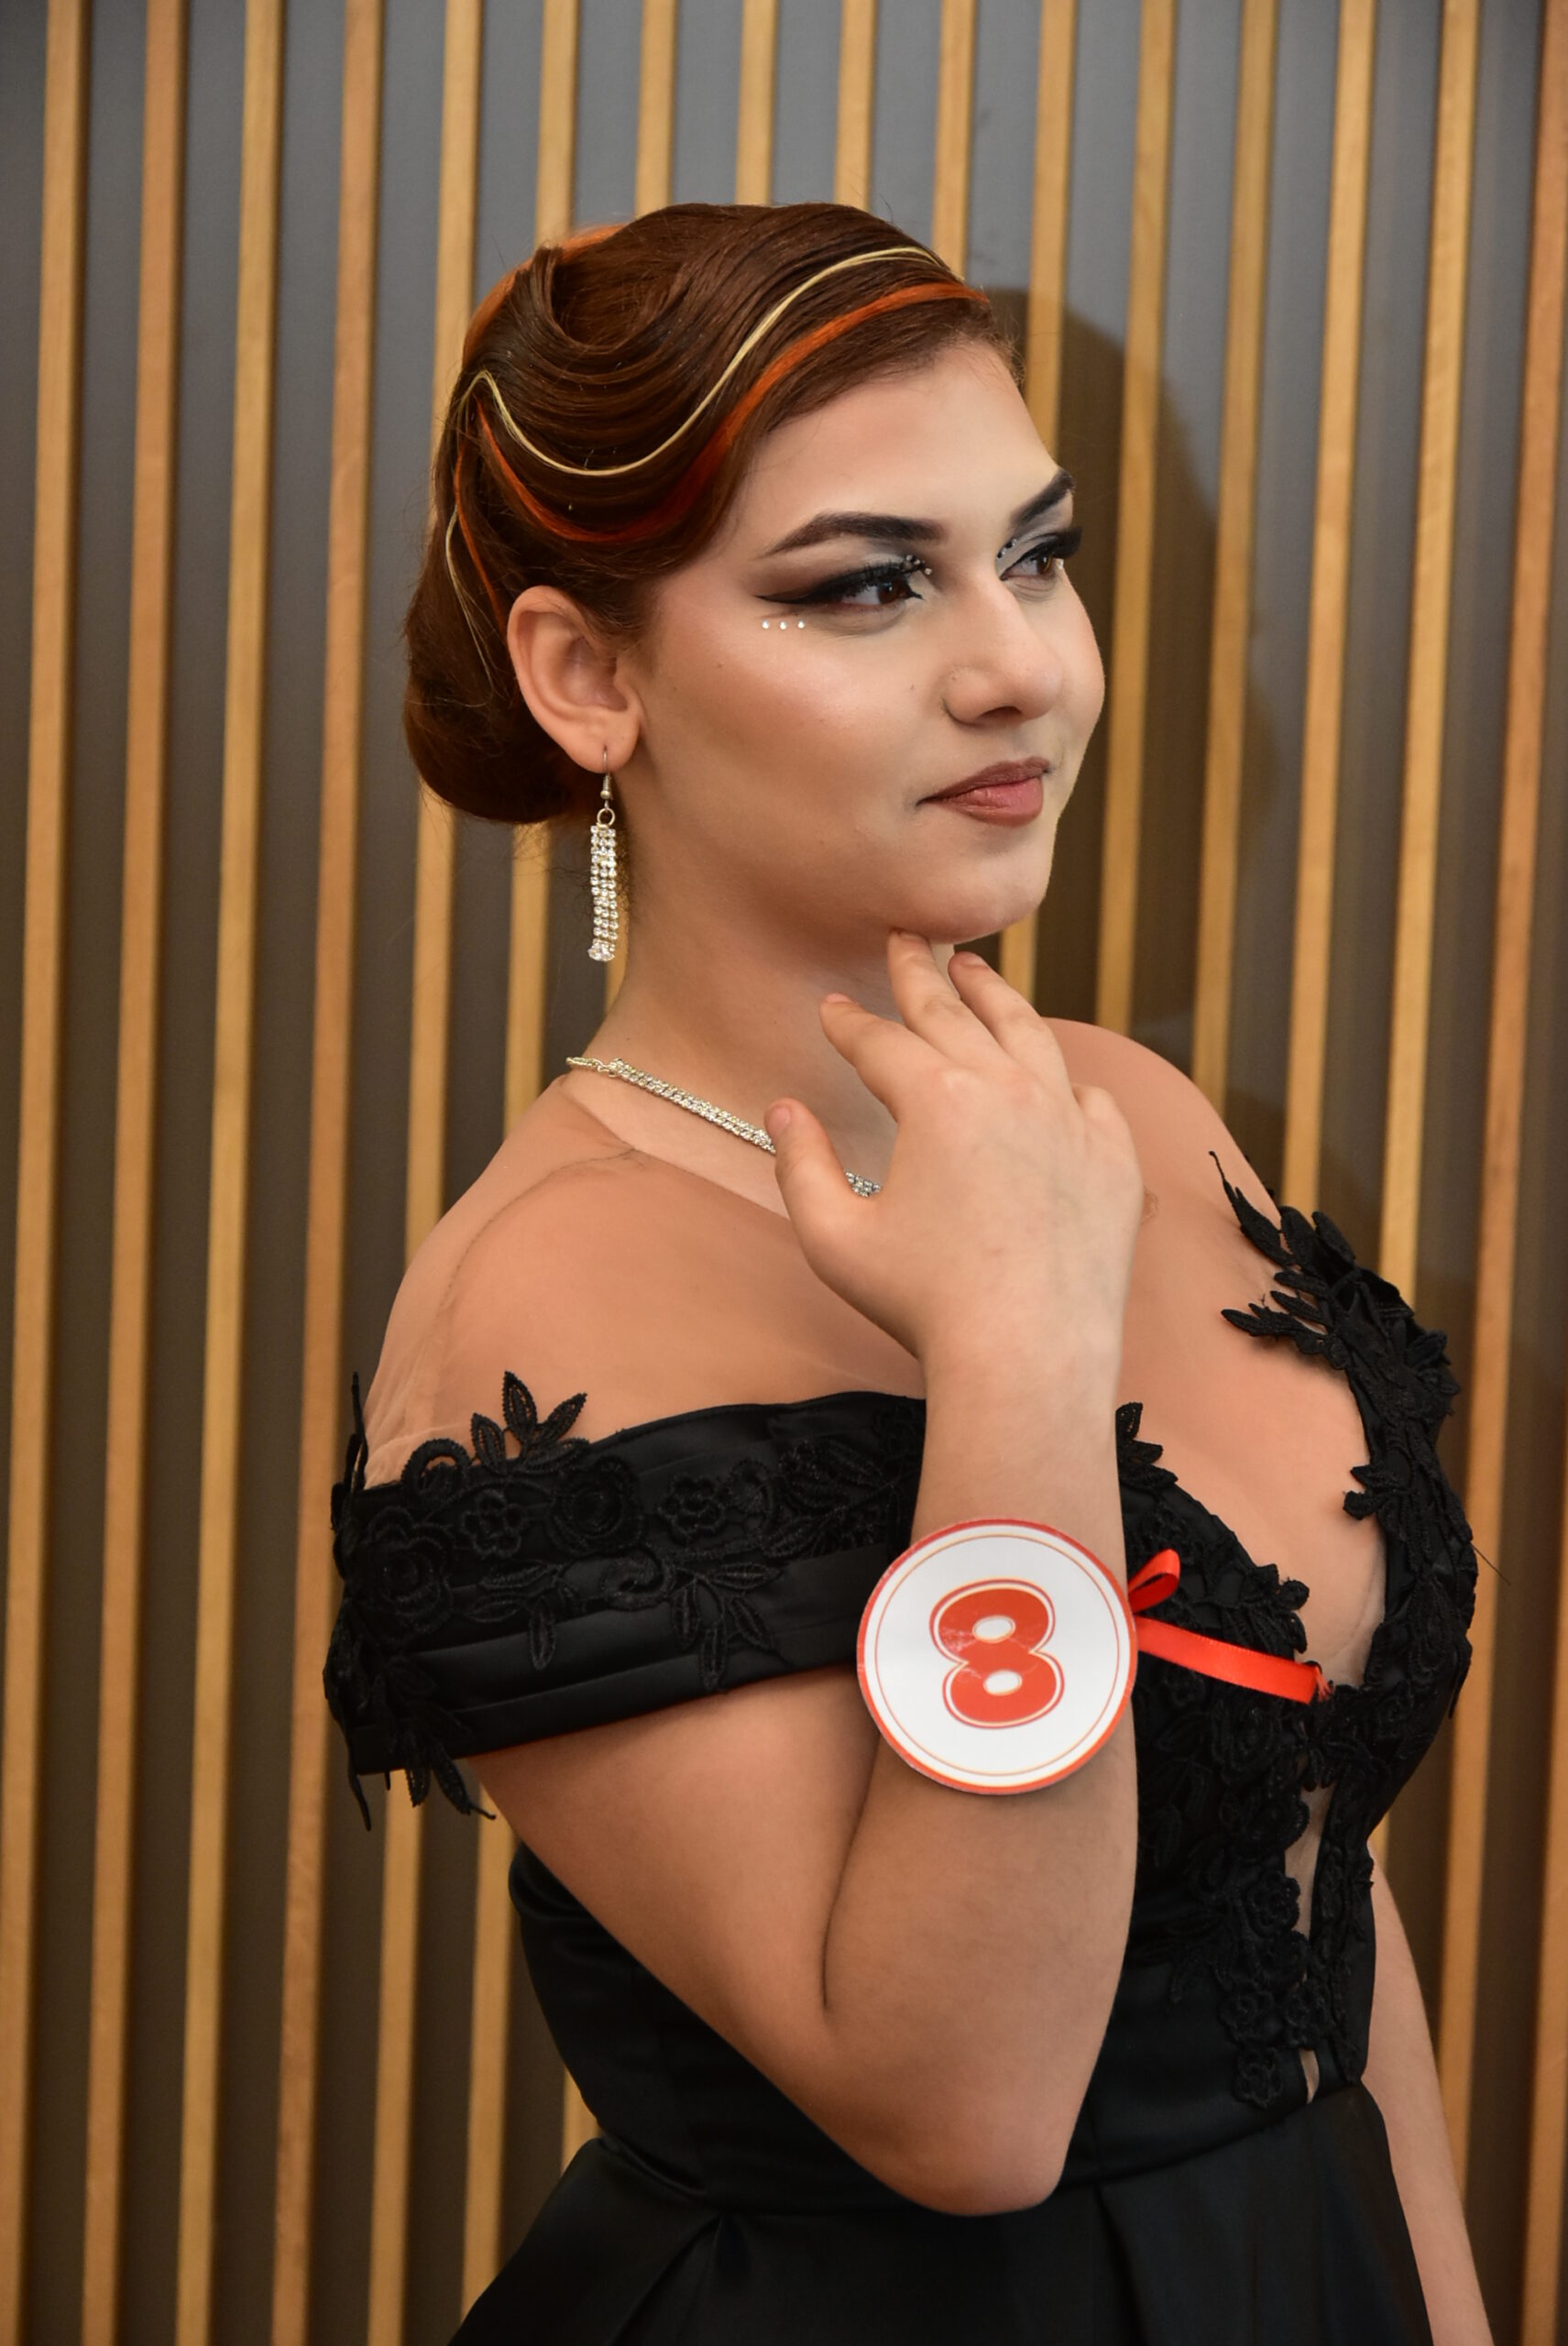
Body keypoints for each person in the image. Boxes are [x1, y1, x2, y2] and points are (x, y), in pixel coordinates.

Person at [323, 202, 1490, 2344]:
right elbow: (964, 2101)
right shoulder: (541, 1308)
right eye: (867, 583)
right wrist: (1017, 1342)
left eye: (1032, 555)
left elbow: (1320, 1883)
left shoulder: (1129, 1107)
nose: (1017, 664)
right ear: (589, 675)